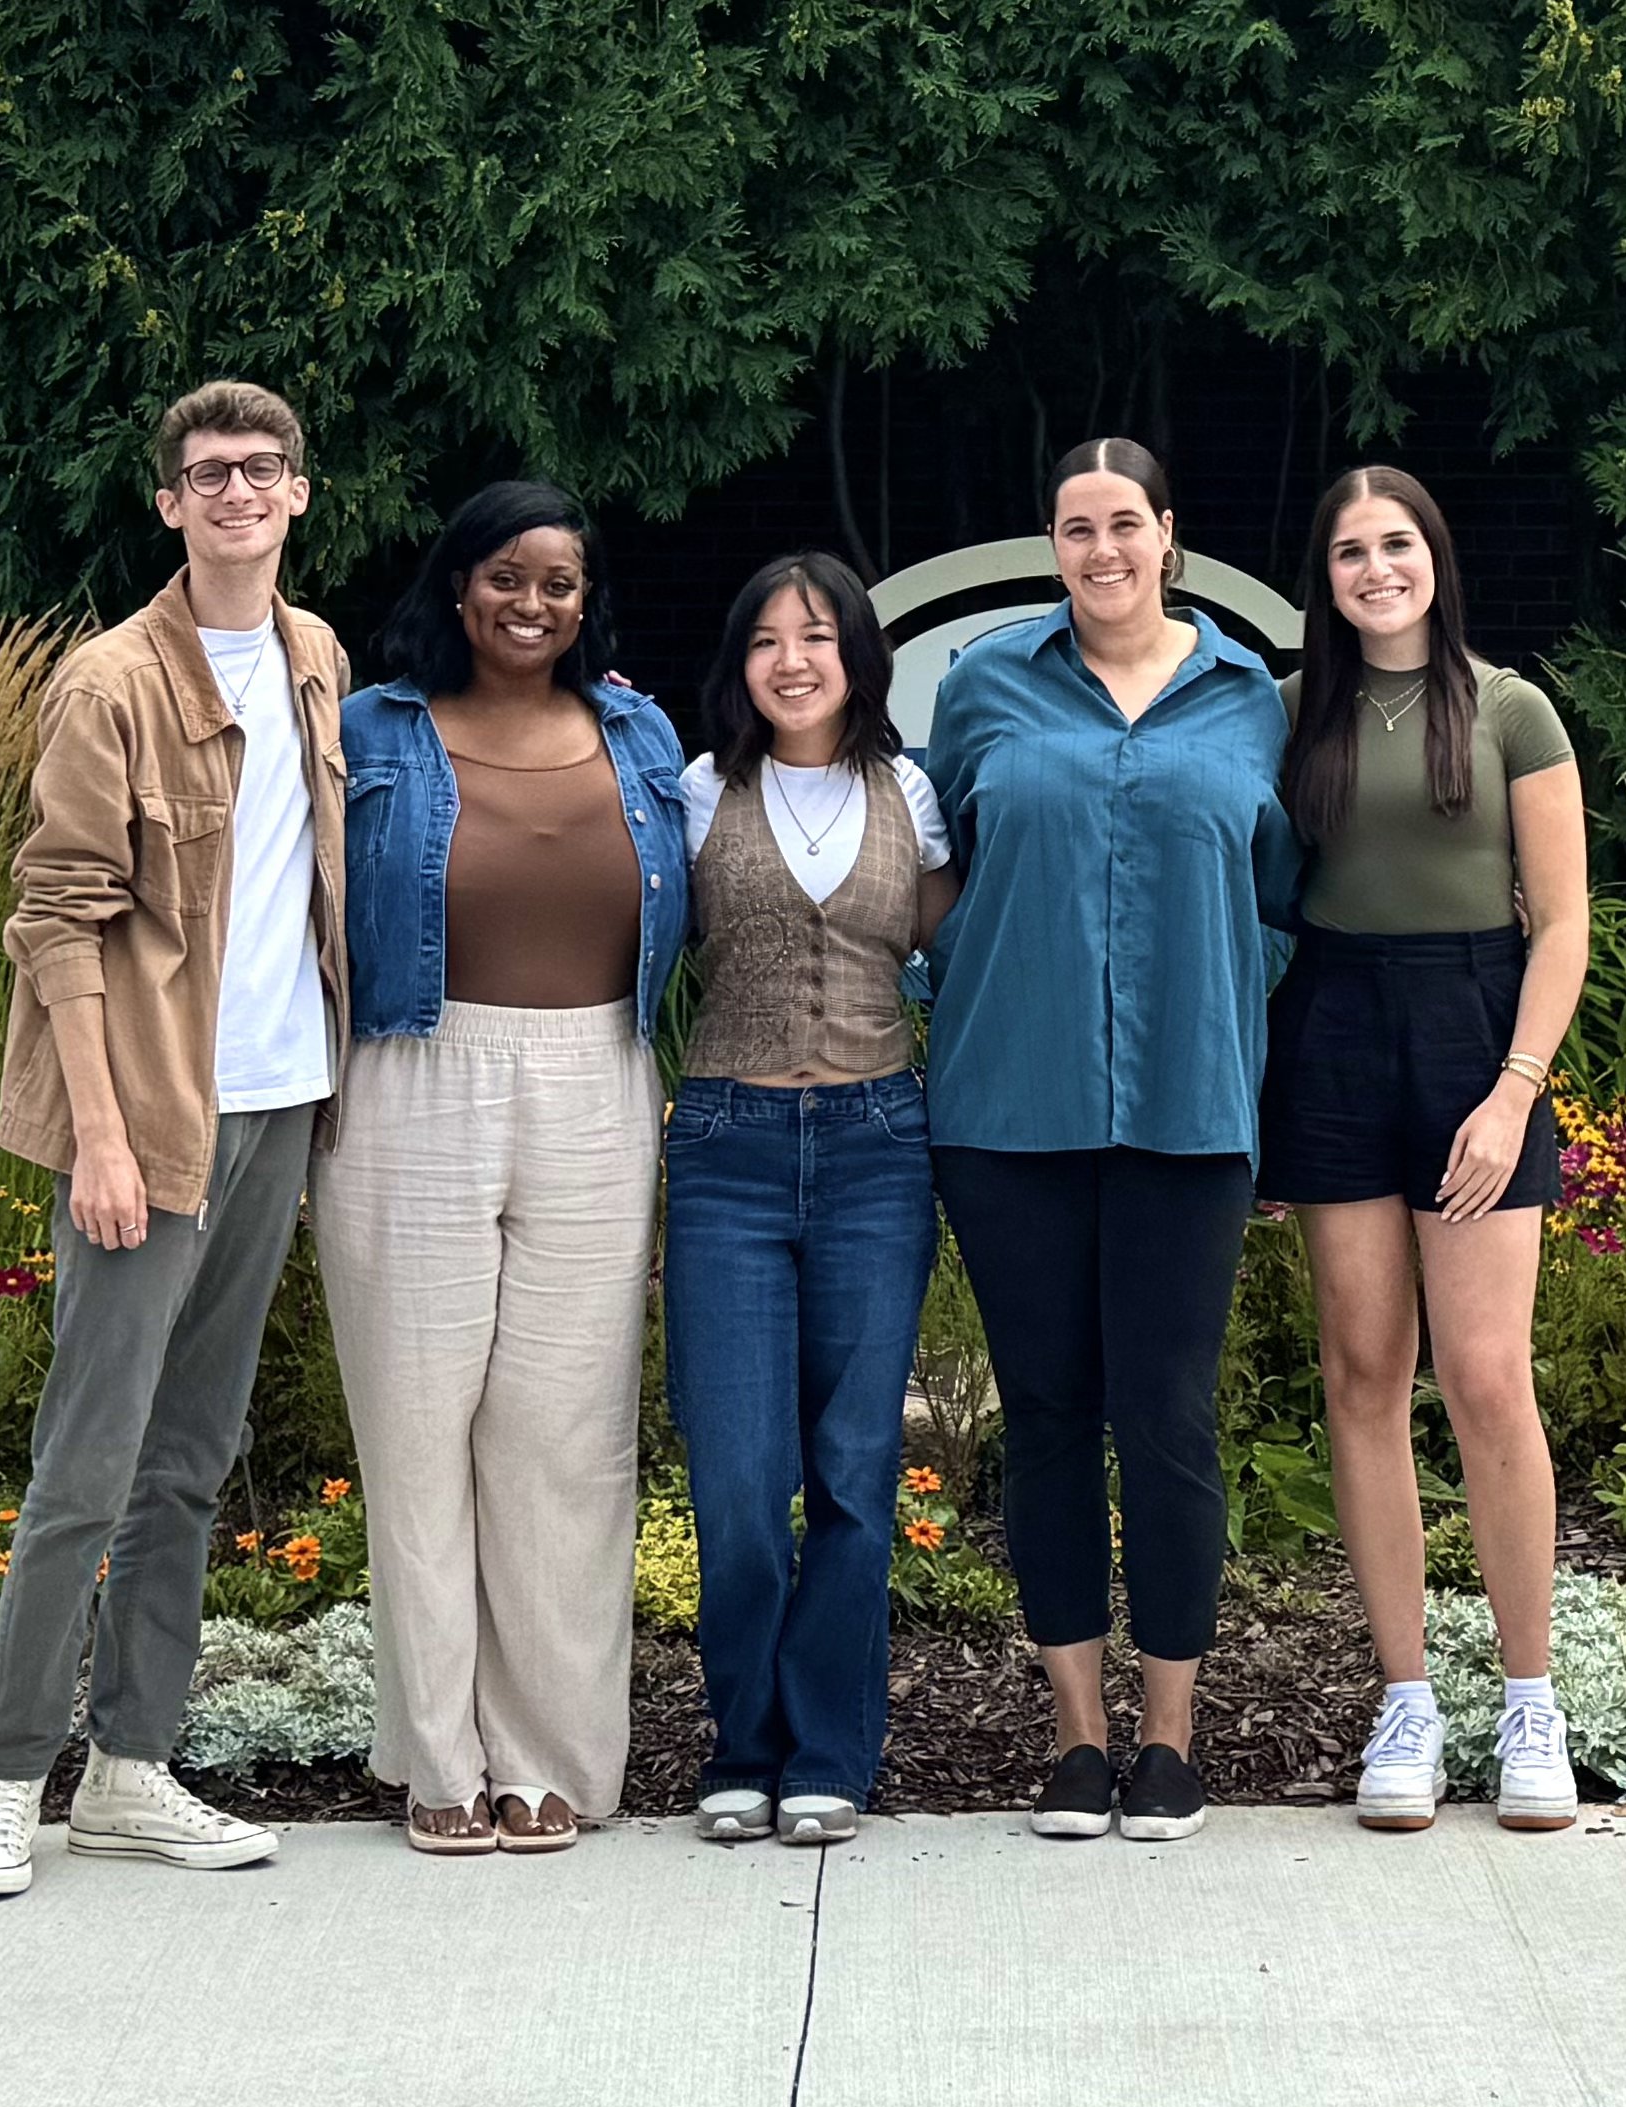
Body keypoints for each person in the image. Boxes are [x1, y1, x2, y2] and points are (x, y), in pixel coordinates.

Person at [0, 380, 347, 1898]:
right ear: (171, 505)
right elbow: (55, 918)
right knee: (88, 1461)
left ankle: (128, 1770)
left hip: (278, 1103)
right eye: (208, 472)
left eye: (262, 467)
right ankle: (8, 1782)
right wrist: (101, 1140)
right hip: (152, 1120)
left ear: (297, 494)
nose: (238, 490)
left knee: (189, 1460)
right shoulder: (108, 683)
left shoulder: (314, 659)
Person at [923, 438, 1295, 1844]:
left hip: (1189, 1113)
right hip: (1006, 1111)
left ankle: (1170, 1740)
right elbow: (937, 874)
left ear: (1167, 535)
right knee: (1046, 1417)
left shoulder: (1246, 698)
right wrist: (970, 986)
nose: (1102, 550)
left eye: (1124, 523)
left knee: (1170, 1417)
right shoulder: (984, 689)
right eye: (1077, 529)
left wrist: (1221, 1006)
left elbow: (1277, 900)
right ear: (1053, 546)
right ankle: (1078, 1739)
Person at [320, 480, 689, 1855]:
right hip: (410, 1074)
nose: (530, 603)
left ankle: (548, 1754)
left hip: (597, 1080)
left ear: (586, 604)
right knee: (417, 1429)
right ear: (458, 583)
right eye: (506, 577)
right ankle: (438, 1757)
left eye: (559, 583)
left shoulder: (639, 731)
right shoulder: (370, 728)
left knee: (564, 1436)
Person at [1260, 465, 1590, 1832]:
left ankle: (1529, 1703)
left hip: (1473, 1032)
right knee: (1362, 1374)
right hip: (1332, 1029)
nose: (1376, 568)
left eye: (1396, 543)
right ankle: (1406, 1701)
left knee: (1487, 1376)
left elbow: (1561, 924)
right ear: (1325, 578)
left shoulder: (1510, 708)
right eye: (1350, 551)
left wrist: (1512, 1093)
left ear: (1435, 557)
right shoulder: (1290, 712)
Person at [666, 551, 961, 1848]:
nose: (792, 661)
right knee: (738, 1477)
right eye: (766, 639)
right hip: (724, 1148)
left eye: (818, 637)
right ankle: (743, 1743)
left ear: (857, 658)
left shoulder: (910, 792)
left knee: (852, 1468)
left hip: (875, 1146)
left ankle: (830, 1750)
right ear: (739, 663)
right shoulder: (695, 792)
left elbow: (959, 945)